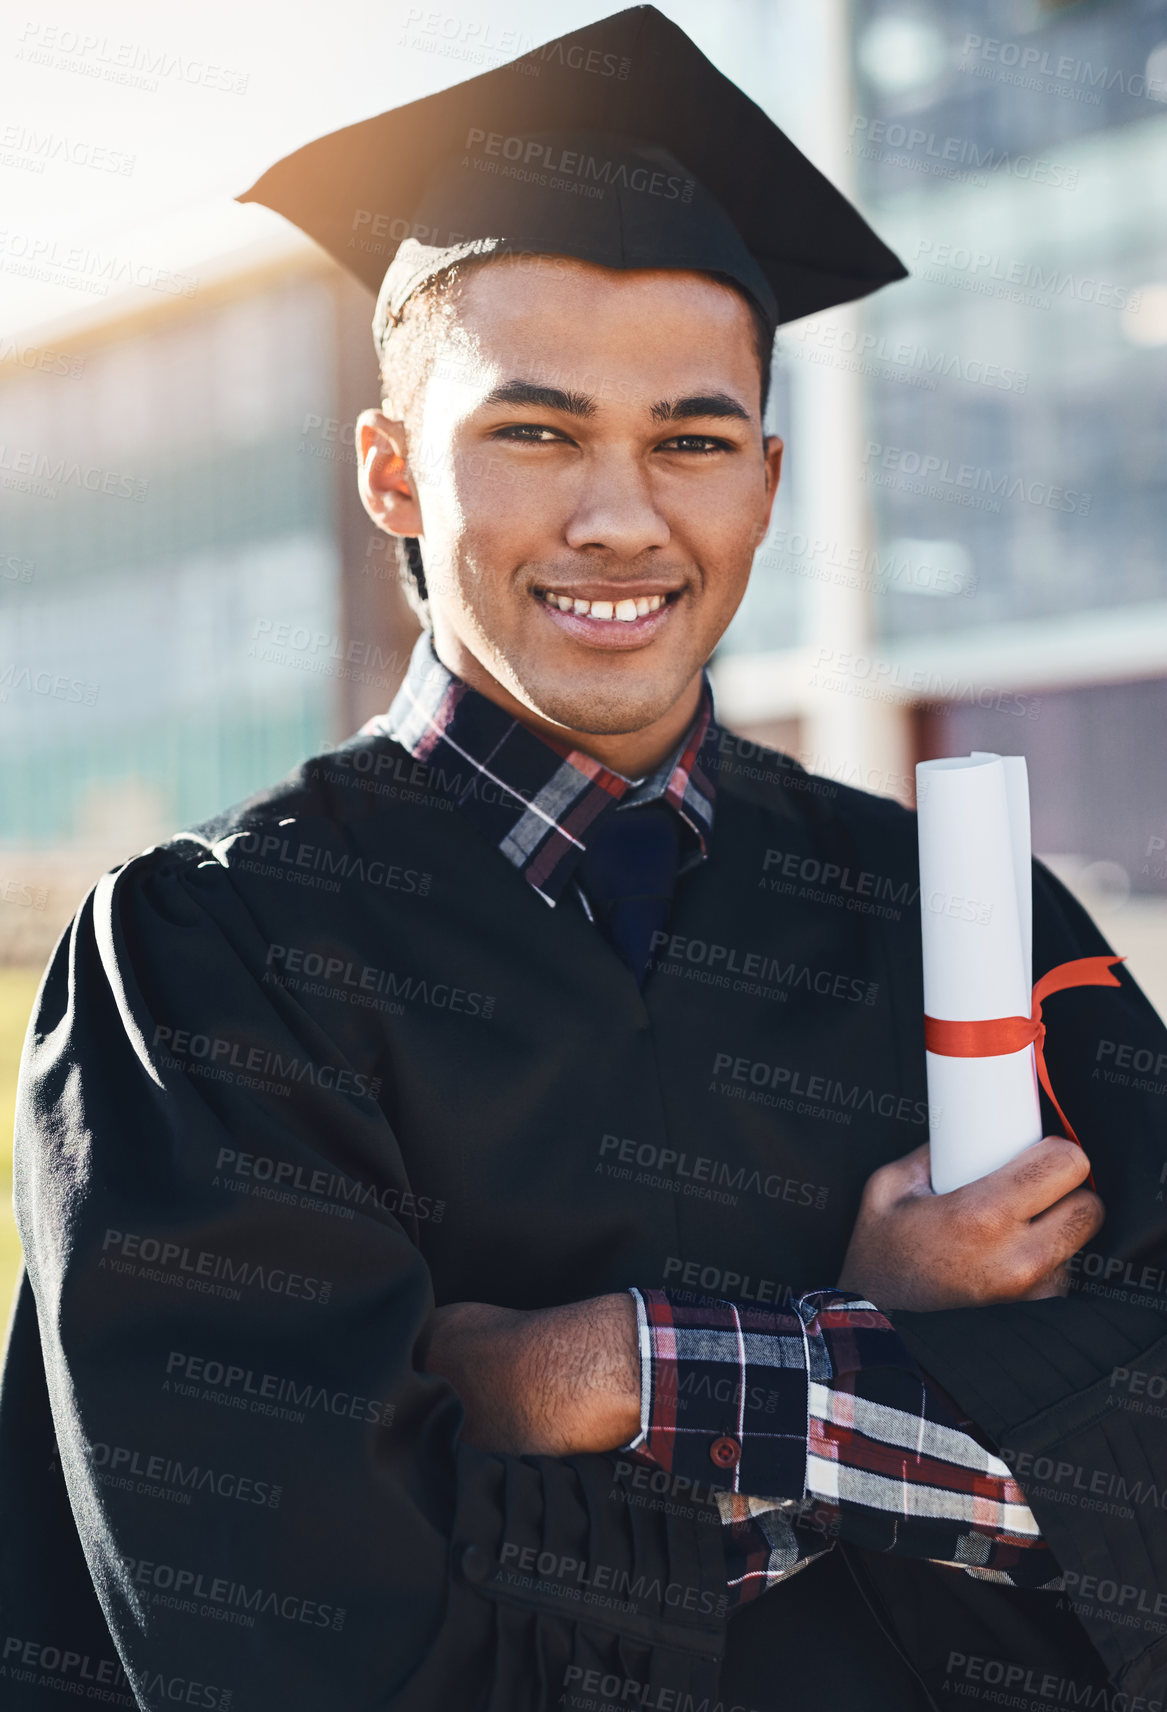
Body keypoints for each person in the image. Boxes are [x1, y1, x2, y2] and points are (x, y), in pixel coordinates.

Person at [3, 7, 1167, 1708]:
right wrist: (876, 1363)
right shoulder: (213, 961)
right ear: (394, 471)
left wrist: (611, 1370)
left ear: (766, 484)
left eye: (691, 441)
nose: (621, 518)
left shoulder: (955, 923)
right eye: (534, 432)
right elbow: (312, 1640)